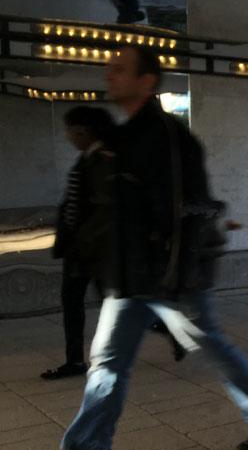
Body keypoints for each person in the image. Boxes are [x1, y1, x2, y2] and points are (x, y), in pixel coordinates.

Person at [34, 45, 248, 450]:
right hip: (129, 279)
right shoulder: (122, 137)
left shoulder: (168, 138)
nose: (108, 76)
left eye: (119, 70)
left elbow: (182, 212)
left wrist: (172, 278)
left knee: (210, 345)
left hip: (171, 278)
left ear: (146, 81)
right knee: (107, 362)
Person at [43, 106, 185, 381]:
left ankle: (170, 329)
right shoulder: (88, 158)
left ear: (83, 130)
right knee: (74, 302)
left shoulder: (106, 160)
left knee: (124, 304)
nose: (68, 136)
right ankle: (74, 360)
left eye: (70, 130)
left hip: (95, 251)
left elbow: (109, 210)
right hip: (81, 250)